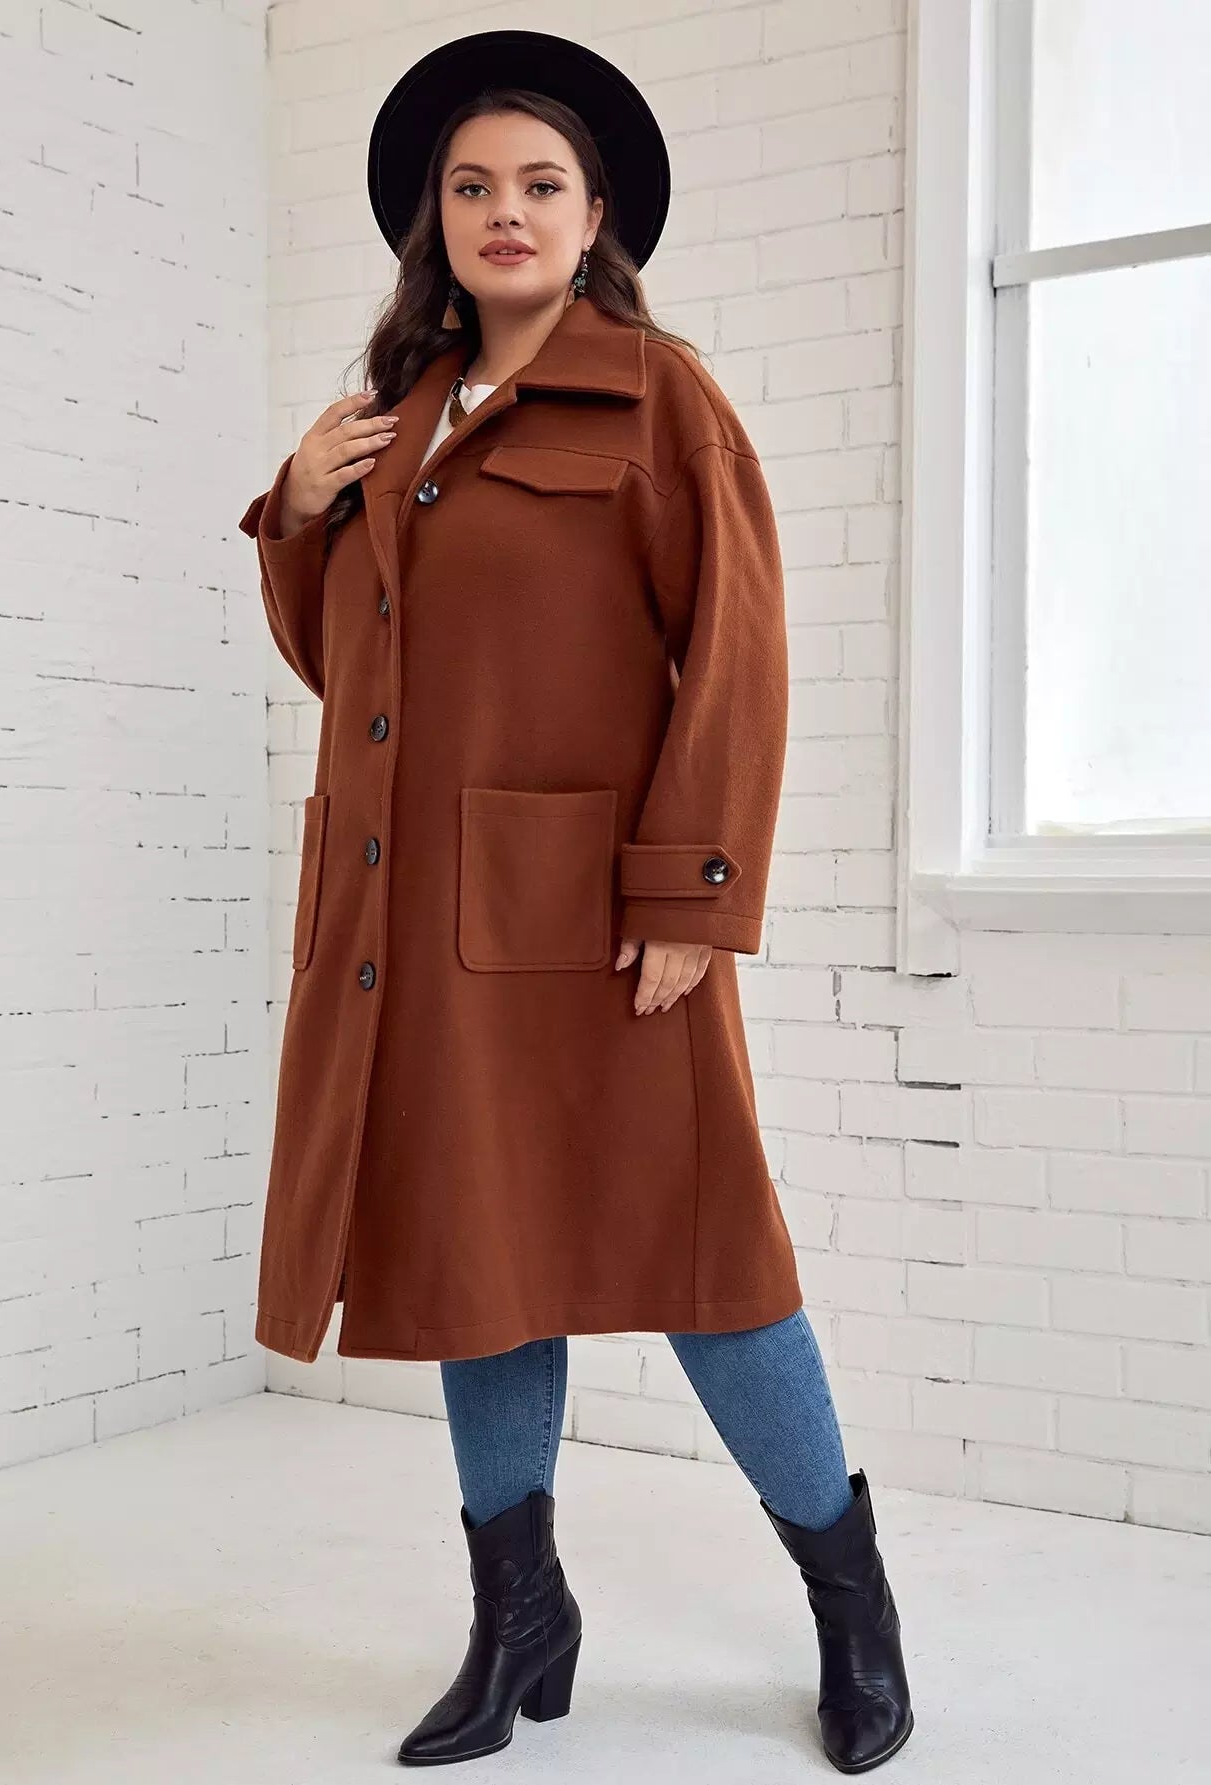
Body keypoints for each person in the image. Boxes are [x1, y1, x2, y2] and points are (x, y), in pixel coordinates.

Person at [239, 28, 914, 1776]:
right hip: (425, 924)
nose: (506, 211)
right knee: (482, 1256)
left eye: (540, 184)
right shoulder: (396, 417)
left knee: (714, 1263)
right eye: (473, 186)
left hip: (611, 926)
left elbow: (740, 654)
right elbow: (351, 673)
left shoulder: (661, 397)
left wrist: (695, 889)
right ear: (436, 220)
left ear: (596, 214)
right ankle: (519, 1616)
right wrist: (298, 514)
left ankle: (853, 1606)